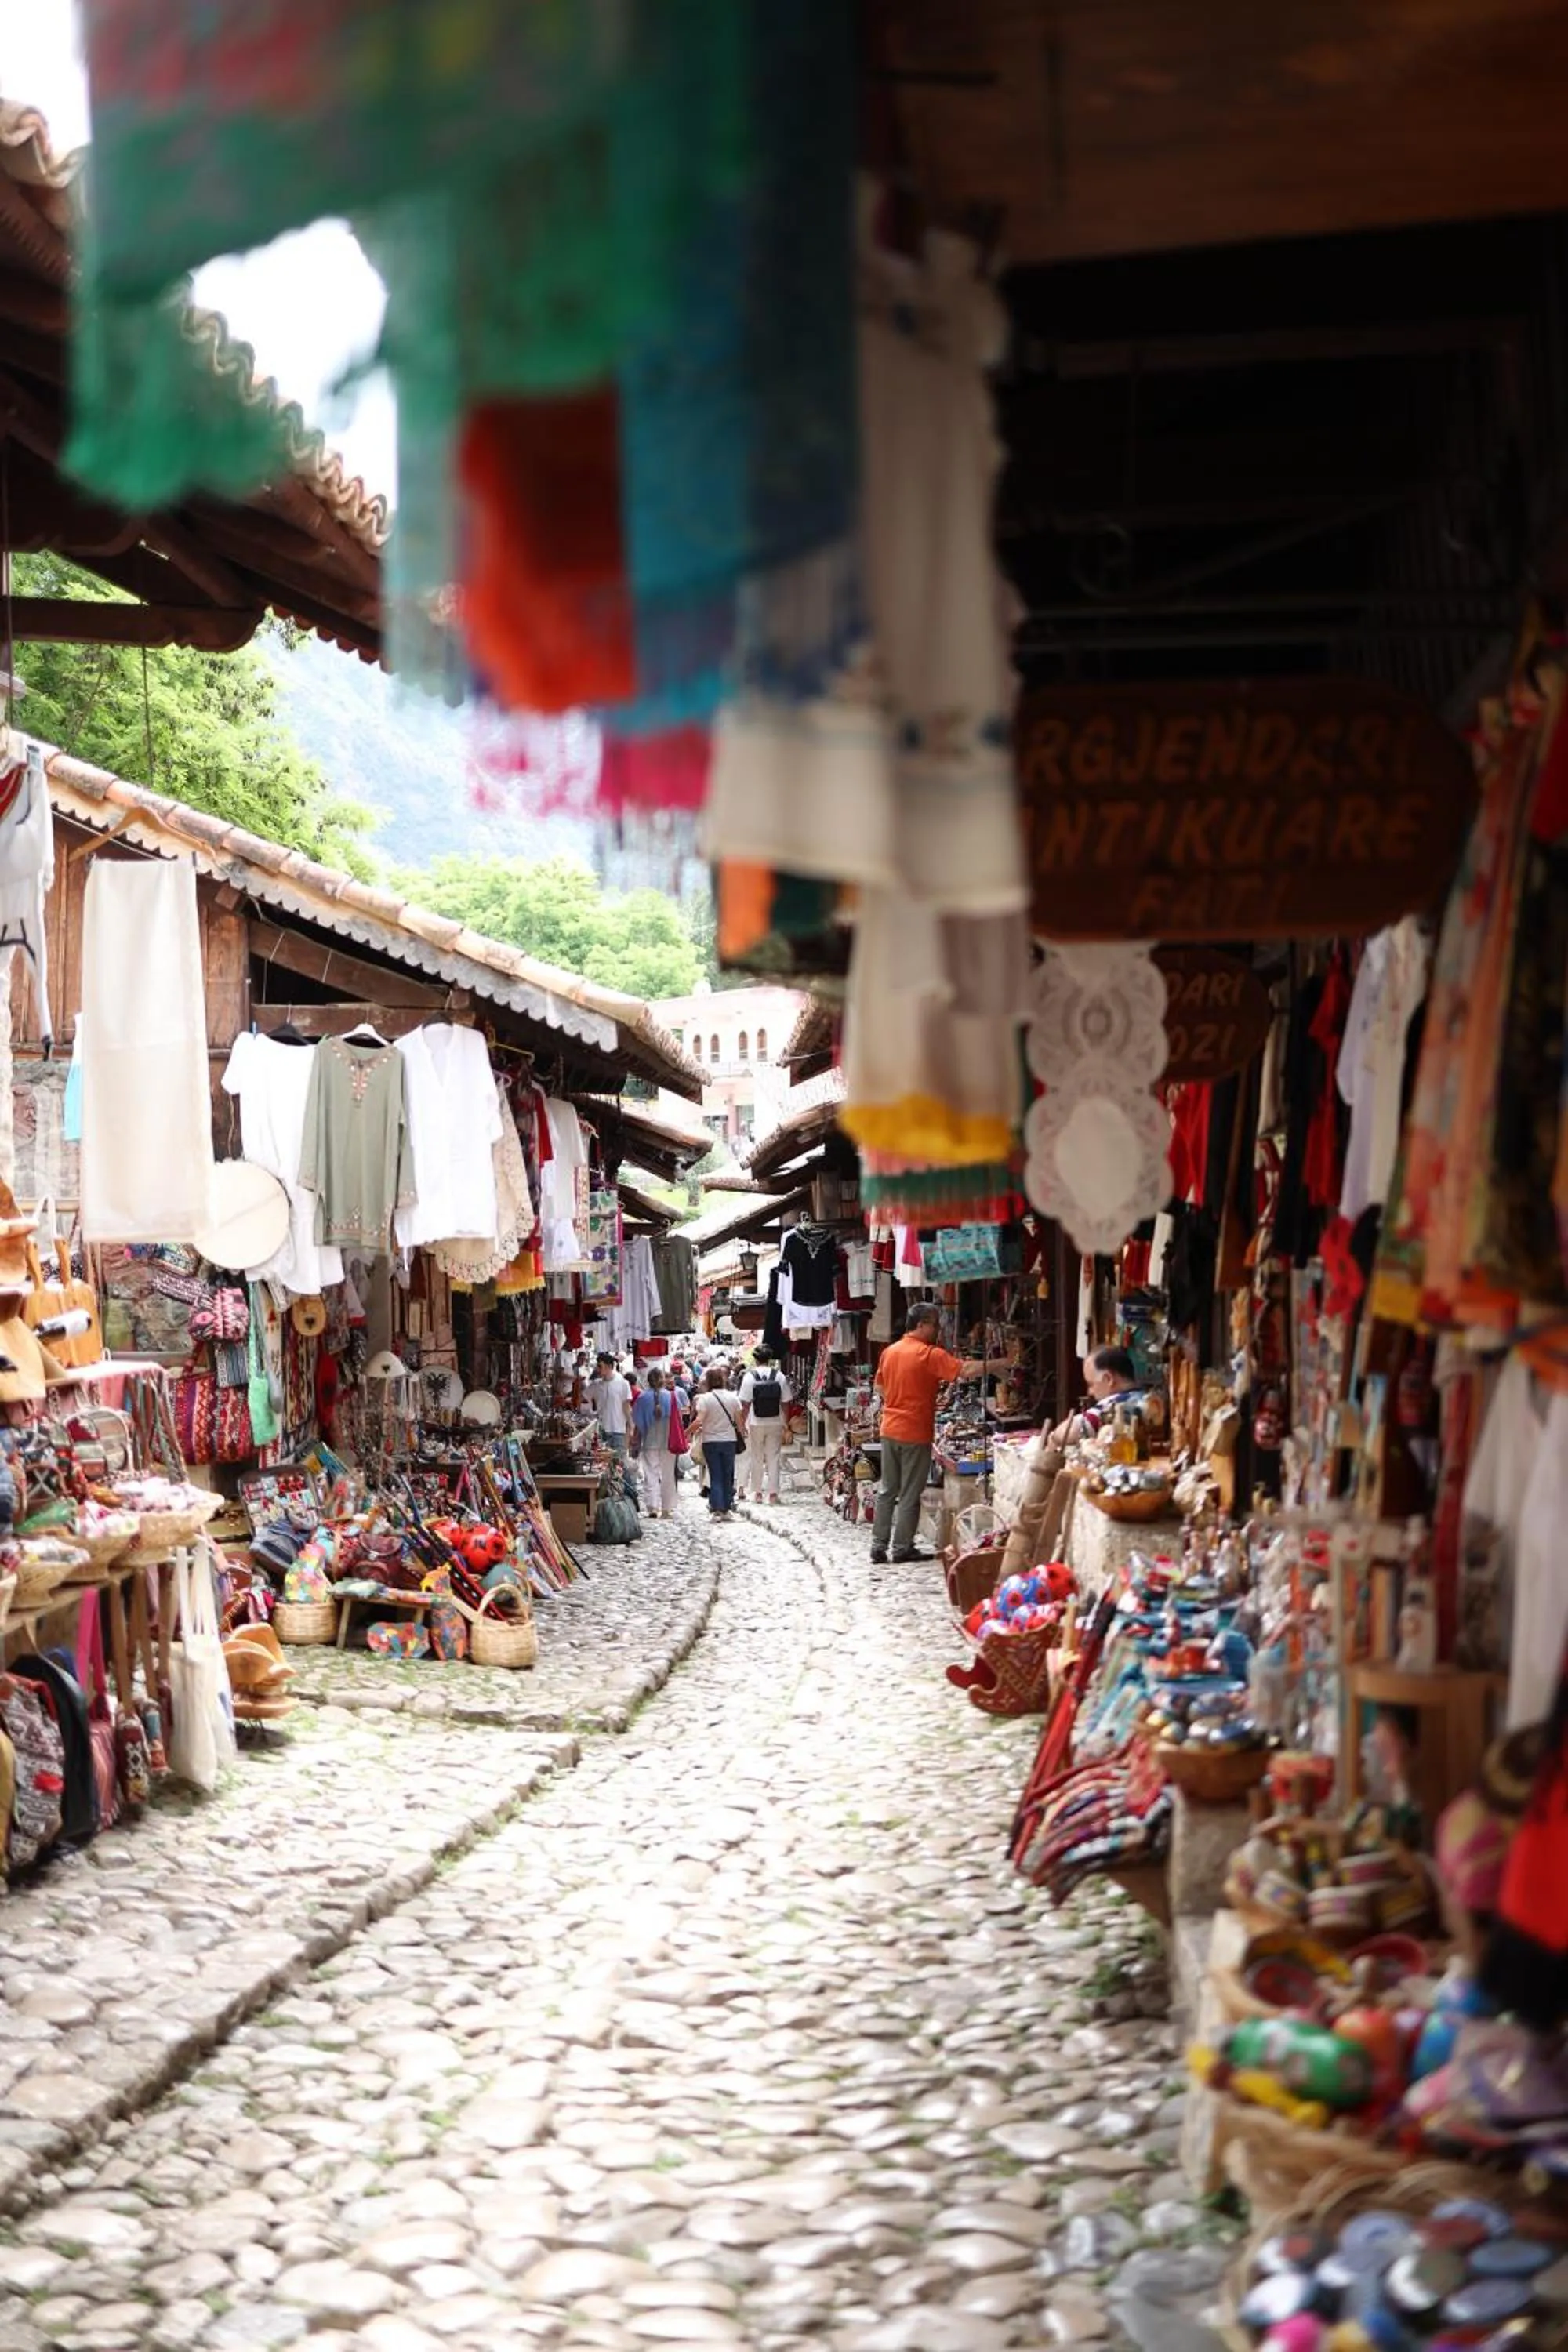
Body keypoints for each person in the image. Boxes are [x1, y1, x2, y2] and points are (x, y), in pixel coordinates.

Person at [870, 1306, 1007, 1565]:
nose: (938, 1330)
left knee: (888, 1489)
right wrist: (1001, 1363)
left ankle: (878, 1546)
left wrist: (899, 1403)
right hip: (914, 1431)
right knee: (911, 1491)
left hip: (890, 1428)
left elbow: (879, 1386)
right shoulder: (927, 1354)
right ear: (922, 1325)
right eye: (935, 1325)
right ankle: (901, 1548)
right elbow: (965, 1370)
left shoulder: (890, 1352)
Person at [1045, 1345, 1145, 1449]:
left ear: (1108, 1379)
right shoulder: (1146, 1399)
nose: (1090, 1392)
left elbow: (1067, 1432)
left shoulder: (1115, 1404)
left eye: (1091, 1384)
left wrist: (1054, 1437)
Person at [691, 1367, 746, 1519]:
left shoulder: (705, 1399)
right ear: (723, 1381)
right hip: (729, 1441)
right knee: (728, 1474)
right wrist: (743, 1433)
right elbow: (739, 1421)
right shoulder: (733, 1398)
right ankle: (727, 1507)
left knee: (715, 1474)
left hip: (711, 1441)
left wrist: (687, 1432)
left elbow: (699, 1420)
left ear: (708, 1382)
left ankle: (717, 1508)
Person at [739, 1349, 792, 1504]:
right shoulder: (779, 1376)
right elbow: (786, 1402)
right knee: (773, 1457)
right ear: (769, 1359)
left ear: (755, 1360)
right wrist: (786, 1422)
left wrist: (743, 1424)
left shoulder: (749, 1377)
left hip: (756, 1422)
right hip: (775, 1421)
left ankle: (757, 1493)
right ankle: (773, 1494)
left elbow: (745, 1404)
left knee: (756, 1456)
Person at [630, 1367, 679, 1520]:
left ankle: (652, 1507)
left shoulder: (642, 1398)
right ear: (663, 1380)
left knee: (650, 1474)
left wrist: (635, 1441)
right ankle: (666, 1508)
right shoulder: (671, 1397)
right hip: (668, 1441)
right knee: (668, 1474)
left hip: (649, 1441)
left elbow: (637, 1423)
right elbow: (677, 1421)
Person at [588, 1350, 632, 1461]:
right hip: (601, 1431)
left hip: (618, 1430)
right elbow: (583, 1397)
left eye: (600, 1366)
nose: (598, 1369)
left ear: (608, 1366)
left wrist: (631, 1427)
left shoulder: (623, 1383)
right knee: (603, 1463)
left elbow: (626, 1406)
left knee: (619, 1464)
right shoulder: (597, 1384)